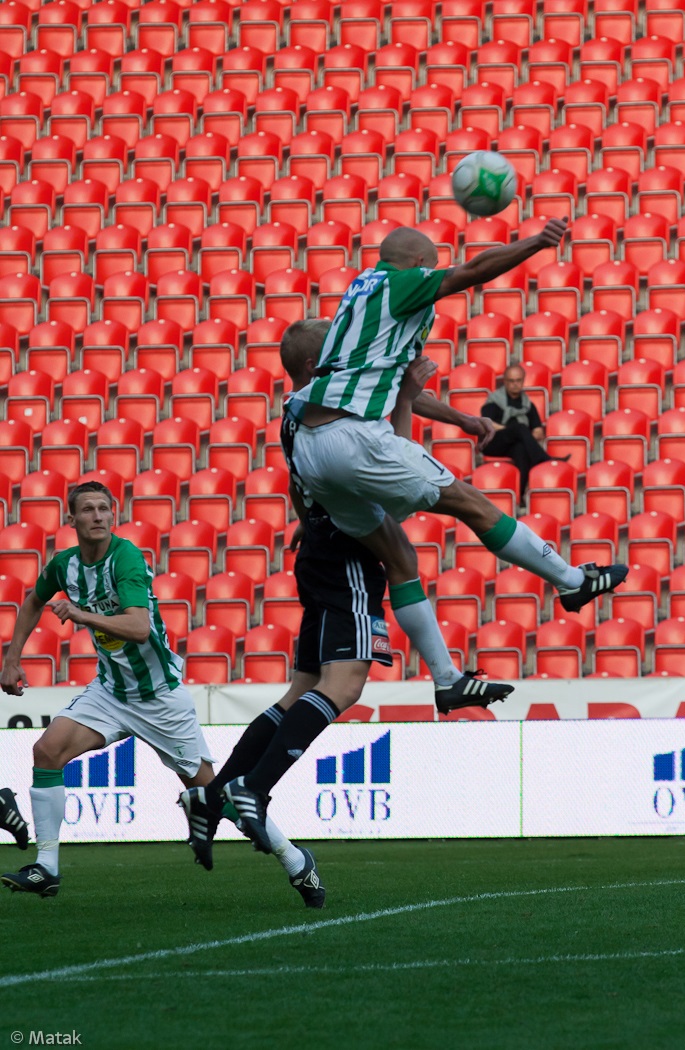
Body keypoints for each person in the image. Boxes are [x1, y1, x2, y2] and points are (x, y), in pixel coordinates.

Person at [180, 321, 514, 878]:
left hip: (319, 550)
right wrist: (409, 398)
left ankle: (212, 797)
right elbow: (392, 468)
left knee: (302, 689)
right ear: (316, 368)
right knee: (344, 686)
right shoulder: (334, 413)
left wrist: (310, 517)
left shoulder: (296, 412)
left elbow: (328, 473)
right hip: (349, 556)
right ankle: (252, 790)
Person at [284, 223, 628, 640]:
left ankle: (447, 679)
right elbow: (472, 271)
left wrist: (463, 420)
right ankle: (571, 581)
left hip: (310, 445)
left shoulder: (359, 298)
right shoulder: (400, 284)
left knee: (400, 557)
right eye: (430, 268)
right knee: (471, 505)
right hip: (353, 438)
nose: (432, 276)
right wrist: (537, 242)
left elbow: (387, 385)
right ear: (417, 265)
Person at [0, 481, 216, 899]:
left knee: (214, 792)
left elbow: (138, 628)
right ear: (73, 520)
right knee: (46, 751)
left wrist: (80, 614)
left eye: (104, 508)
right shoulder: (65, 565)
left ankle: (295, 860)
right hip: (112, 693)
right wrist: (11, 659)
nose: (97, 516)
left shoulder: (127, 557)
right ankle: (46, 868)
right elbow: (31, 602)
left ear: (112, 516)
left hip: (159, 697)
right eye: (88, 509)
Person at [480, 361, 567, 503]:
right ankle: (544, 459)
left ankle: (518, 497)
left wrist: (526, 436)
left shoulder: (528, 405)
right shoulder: (494, 401)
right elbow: (487, 424)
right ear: (505, 382)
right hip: (494, 442)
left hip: (514, 445)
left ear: (523, 381)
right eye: (511, 381)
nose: (515, 384)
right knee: (520, 427)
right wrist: (514, 431)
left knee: (521, 450)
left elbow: (538, 432)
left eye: (518, 380)